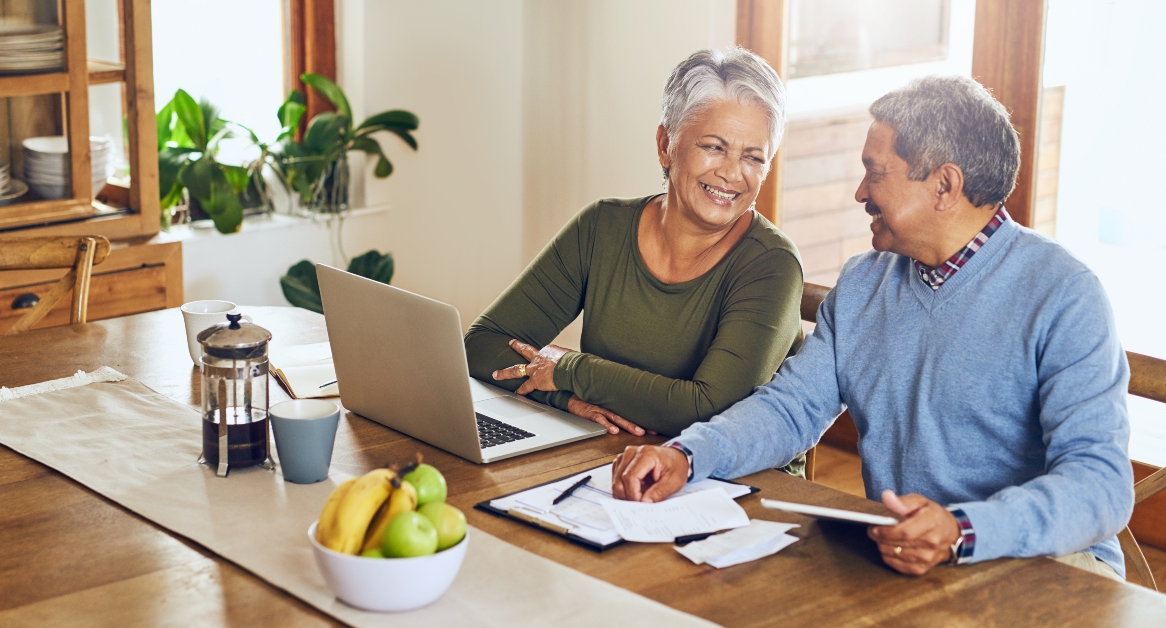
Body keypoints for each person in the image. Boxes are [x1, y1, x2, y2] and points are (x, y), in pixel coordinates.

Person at [610, 75, 1134, 579]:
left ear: (944, 185)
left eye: (875, 172)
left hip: (1046, 566)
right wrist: (687, 455)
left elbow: (1101, 487)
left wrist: (961, 531)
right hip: (908, 559)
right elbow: (790, 408)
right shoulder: (864, 282)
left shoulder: (1064, 294)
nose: (860, 192)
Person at [464, 48, 808, 474]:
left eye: (753, 157)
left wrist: (571, 369)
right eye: (714, 147)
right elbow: (482, 345)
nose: (732, 173)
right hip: (612, 458)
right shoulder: (601, 227)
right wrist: (563, 396)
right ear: (666, 145)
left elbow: (710, 409)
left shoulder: (773, 265)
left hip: (735, 481)